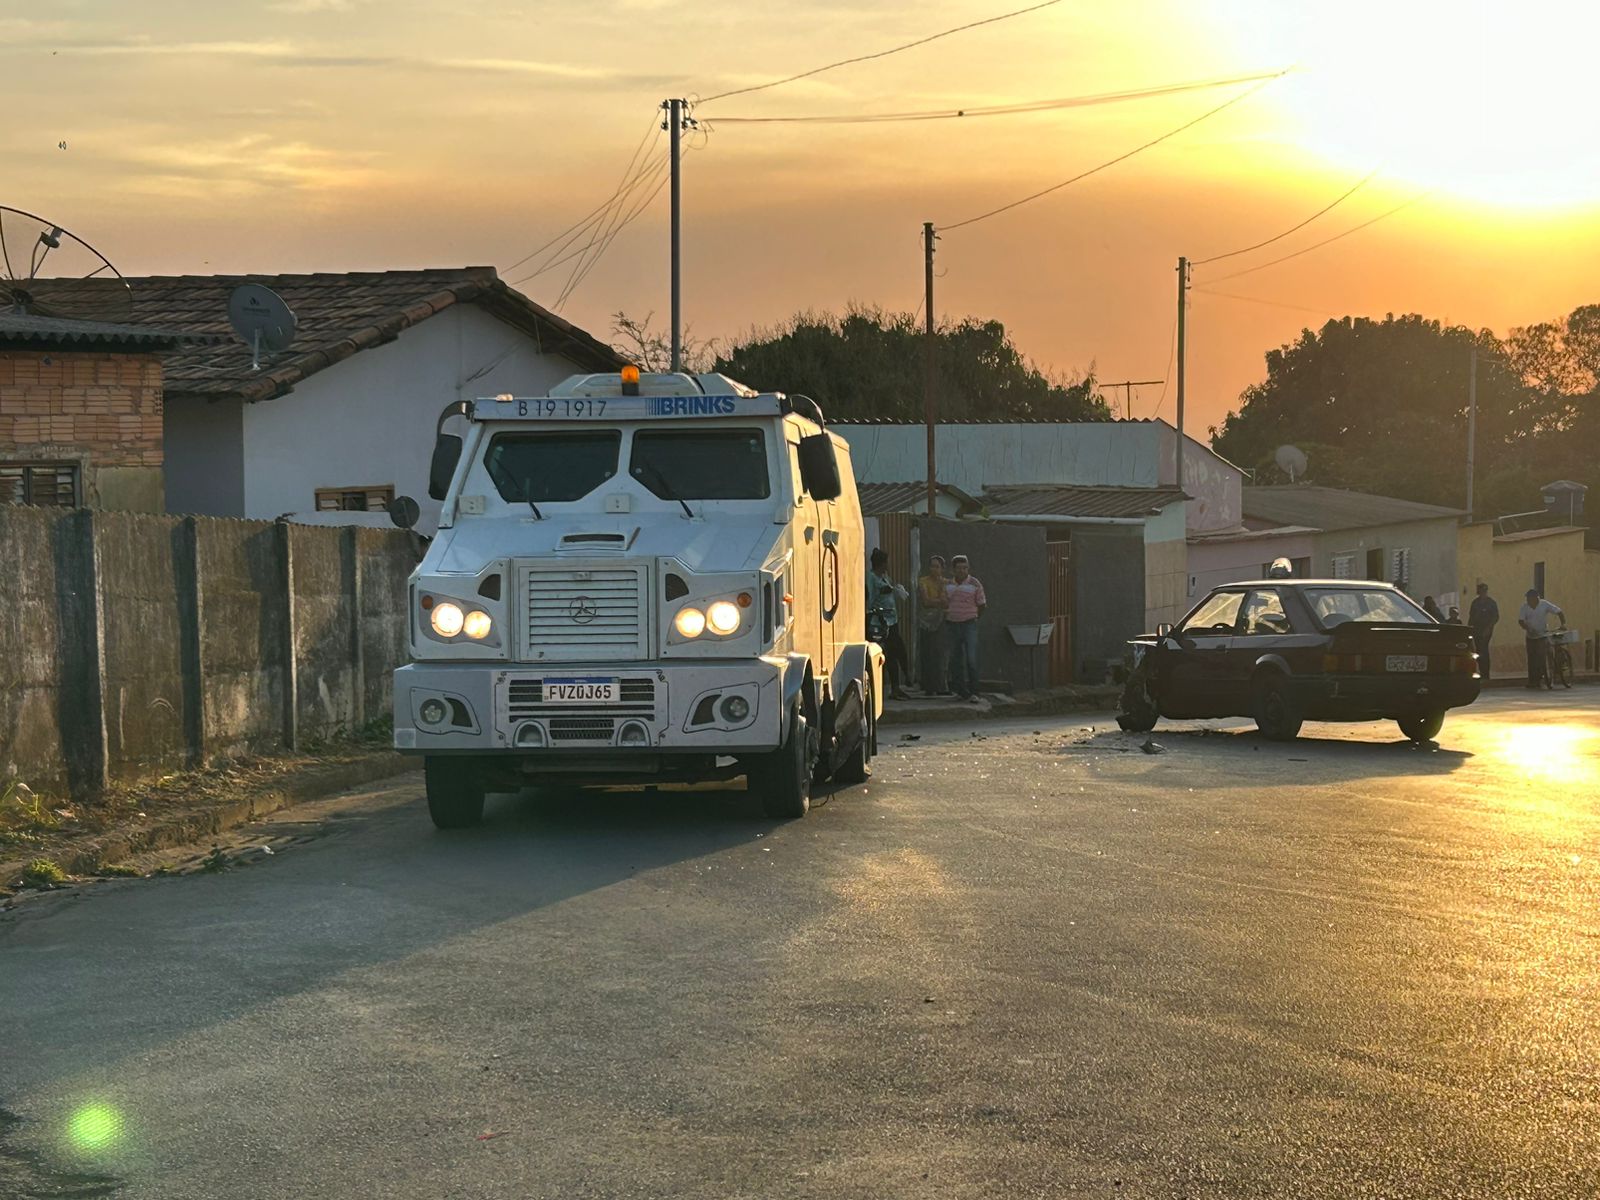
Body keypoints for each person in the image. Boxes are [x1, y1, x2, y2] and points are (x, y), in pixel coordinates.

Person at [866, 549, 910, 700]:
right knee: (890, 654)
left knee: (899, 651)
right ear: (882, 564)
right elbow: (870, 598)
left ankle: (900, 683)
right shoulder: (871, 578)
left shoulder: (885, 577)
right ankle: (892, 687)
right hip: (879, 623)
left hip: (892, 621)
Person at [944, 554, 987, 702]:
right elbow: (944, 602)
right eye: (959, 568)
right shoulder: (948, 585)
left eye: (965, 568)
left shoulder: (975, 584)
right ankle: (961, 691)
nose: (962, 571)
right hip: (952, 624)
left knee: (971, 659)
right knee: (955, 659)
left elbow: (982, 605)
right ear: (953, 570)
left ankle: (975, 692)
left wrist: (974, 617)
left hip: (969, 624)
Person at [916, 555, 950, 695]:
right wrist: (939, 601)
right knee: (927, 653)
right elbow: (926, 601)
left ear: (942, 569)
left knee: (940, 654)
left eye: (937, 566)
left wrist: (936, 600)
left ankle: (941, 685)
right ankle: (928, 686)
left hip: (941, 622)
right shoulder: (923, 581)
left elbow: (947, 602)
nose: (934, 569)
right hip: (926, 622)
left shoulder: (946, 583)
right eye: (932, 566)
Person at [1517, 588, 1565, 689]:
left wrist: (1563, 624)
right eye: (1527, 599)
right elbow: (1521, 621)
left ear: (1536, 598)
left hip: (1542, 635)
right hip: (1530, 636)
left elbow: (1559, 612)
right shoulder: (1524, 607)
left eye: (1530, 598)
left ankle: (1540, 677)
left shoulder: (1544, 604)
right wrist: (1528, 628)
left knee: (1540, 657)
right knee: (1531, 658)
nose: (1528, 601)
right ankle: (1532, 680)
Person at [1468, 583, 1498, 678]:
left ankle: (1486, 673)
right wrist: (1470, 629)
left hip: (1486, 631)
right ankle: (1482, 671)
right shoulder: (1475, 603)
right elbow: (1471, 617)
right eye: (1481, 590)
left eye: (1484, 590)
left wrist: (1488, 628)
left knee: (1484, 649)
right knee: (1478, 650)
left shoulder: (1491, 603)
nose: (1482, 592)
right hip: (1476, 630)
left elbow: (1495, 617)